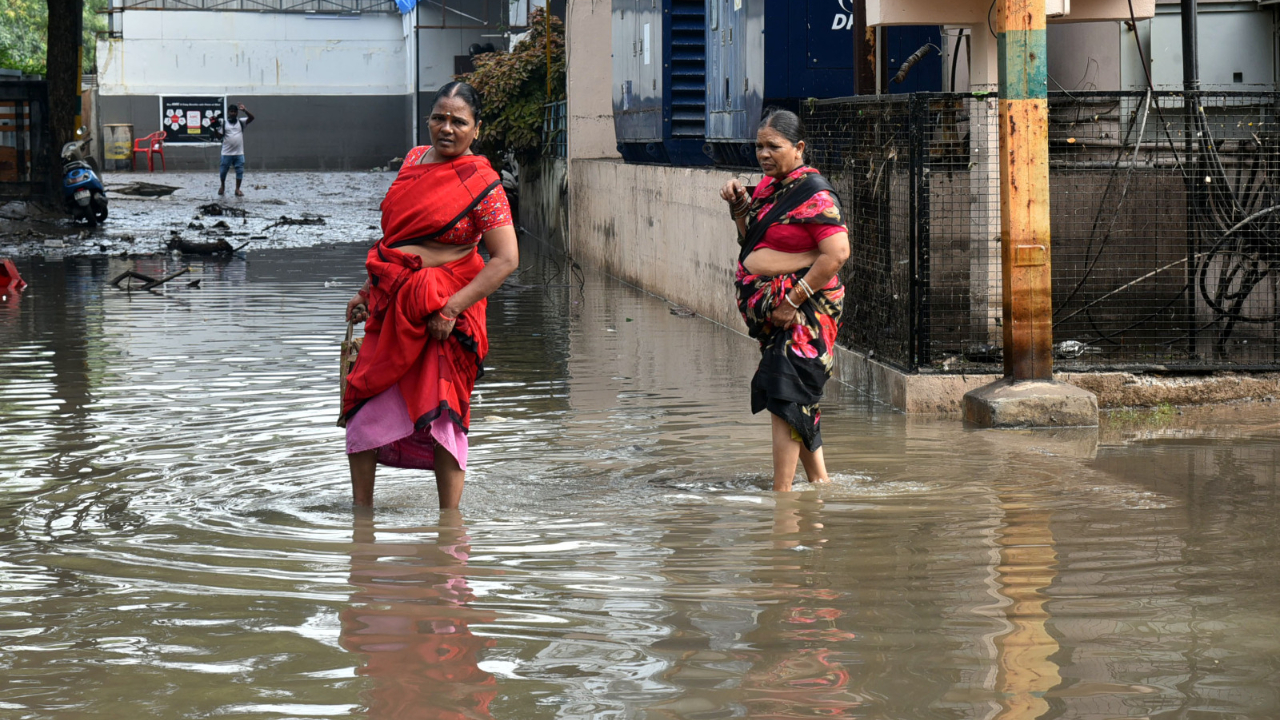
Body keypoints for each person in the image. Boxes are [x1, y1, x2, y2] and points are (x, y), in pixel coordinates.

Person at [341, 81, 519, 509]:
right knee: (363, 409)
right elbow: (396, 239)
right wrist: (368, 290)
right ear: (428, 120)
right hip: (392, 303)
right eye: (439, 117)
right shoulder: (414, 161)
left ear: (476, 129)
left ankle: (449, 526)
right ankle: (360, 519)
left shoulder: (484, 183)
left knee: (444, 415)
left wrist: (453, 309)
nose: (447, 128)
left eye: (459, 121)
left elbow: (506, 258)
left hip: (444, 316)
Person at [719, 109, 851, 492]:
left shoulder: (815, 195)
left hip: (804, 313)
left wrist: (792, 300)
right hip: (779, 315)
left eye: (773, 146)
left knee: (785, 393)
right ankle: (821, 485)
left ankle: (783, 497)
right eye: (759, 146)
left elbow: (837, 253)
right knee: (796, 398)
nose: (763, 154)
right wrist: (740, 208)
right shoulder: (767, 188)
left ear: (799, 148)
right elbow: (751, 243)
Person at [216, 103, 254, 197]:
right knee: (223, 171)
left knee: (239, 171)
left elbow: (252, 118)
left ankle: (237, 189)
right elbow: (219, 136)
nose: (233, 113)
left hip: (239, 153)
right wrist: (214, 128)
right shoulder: (224, 124)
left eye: (234, 112)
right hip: (226, 153)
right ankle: (222, 186)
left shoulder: (241, 122)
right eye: (231, 112)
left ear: (237, 113)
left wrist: (245, 110)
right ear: (228, 112)